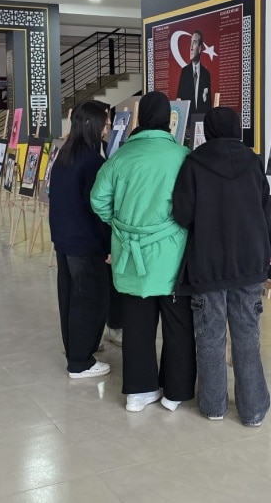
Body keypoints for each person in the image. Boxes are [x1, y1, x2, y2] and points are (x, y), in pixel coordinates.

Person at [172, 107, 271, 426]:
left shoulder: (194, 163)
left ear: (210, 130)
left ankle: (213, 406)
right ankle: (253, 410)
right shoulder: (253, 161)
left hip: (208, 263)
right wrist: (269, 249)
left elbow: (182, 214)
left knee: (210, 335)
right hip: (249, 262)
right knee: (248, 333)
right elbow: (266, 211)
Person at [91, 91, 195, 412]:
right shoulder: (182, 156)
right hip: (171, 253)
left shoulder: (119, 157)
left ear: (140, 119)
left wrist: (121, 226)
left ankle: (138, 391)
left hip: (130, 254)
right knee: (177, 324)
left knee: (137, 322)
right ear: (169, 120)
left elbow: (97, 201)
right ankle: (175, 393)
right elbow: (191, 206)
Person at [50, 101, 113, 379]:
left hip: (64, 240)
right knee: (90, 299)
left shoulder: (64, 156)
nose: (108, 127)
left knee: (70, 297)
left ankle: (76, 347)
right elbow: (98, 209)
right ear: (92, 124)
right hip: (85, 243)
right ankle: (80, 362)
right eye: (106, 122)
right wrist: (109, 244)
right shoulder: (93, 162)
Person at [176, 31, 212, 112]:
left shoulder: (206, 74)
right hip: (187, 120)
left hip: (201, 120)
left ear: (199, 48)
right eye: (190, 43)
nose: (191, 47)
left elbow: (209, 104)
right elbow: (179, 100)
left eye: (194, 43)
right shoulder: (184, 72)